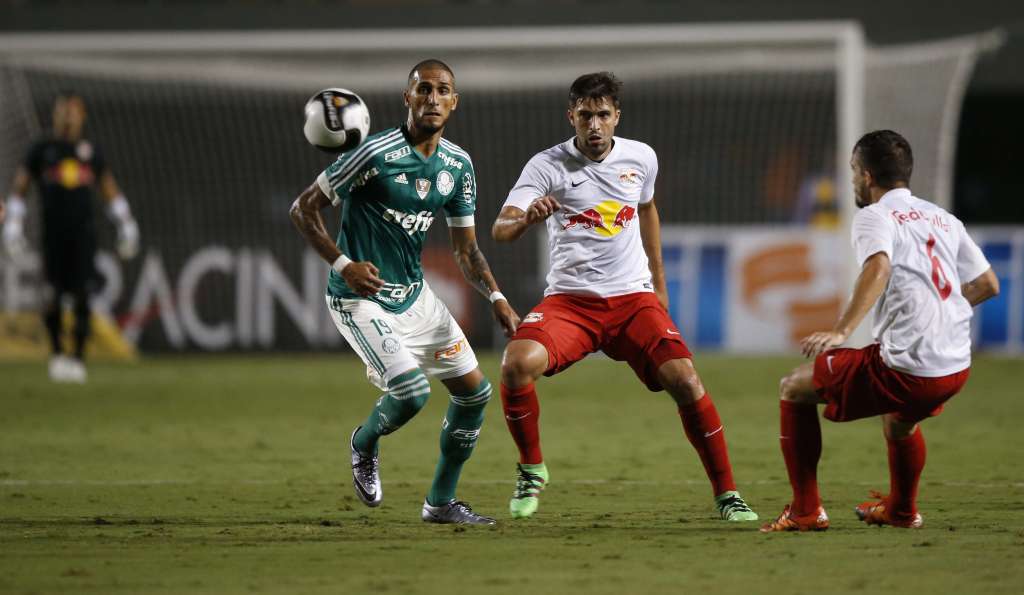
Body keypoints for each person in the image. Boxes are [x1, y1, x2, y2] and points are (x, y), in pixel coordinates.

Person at [491, 72, 758, 522]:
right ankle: (532, 469)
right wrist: (525, 220)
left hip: (633, 301)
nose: (593, 125)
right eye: (585, 115)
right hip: (571, 303)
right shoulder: (546, 166)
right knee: (516, 364)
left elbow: (648, 208)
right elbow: (500, 229)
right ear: (570, 116)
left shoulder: (641, 157)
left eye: (602, 115)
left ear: (617, 117)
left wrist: (660, 281)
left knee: (687, 381)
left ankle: (728, 493)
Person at [289, 59, 520, 525]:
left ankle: (439, 504)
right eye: (424, 90)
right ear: (407, 98)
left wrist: (496, 297)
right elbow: (303, 210)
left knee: (475, 395)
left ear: (454, 102)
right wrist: (344, 264)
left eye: (443, 91)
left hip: (416, 299)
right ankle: (364, 442)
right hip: (359, 299)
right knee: (413, 393)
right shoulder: (371, 154)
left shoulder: (458, 166)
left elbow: (466, 250)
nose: (432, 98)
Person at [760, 130, 1000, 532]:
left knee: (794, 388)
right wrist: (944, 310)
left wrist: (841, 331)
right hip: (955, 367)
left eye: (854, 171)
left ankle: (805, 511)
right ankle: (902, 512)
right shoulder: (944, 218)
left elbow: (879, 267)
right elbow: (988, 284)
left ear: (867, 176)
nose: (853, 179)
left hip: (909, 368)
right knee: (900, 421)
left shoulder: (874, 216)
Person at [1, 91, 139, 383]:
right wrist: (13, 225)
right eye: (62, 110)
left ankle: (76, 357)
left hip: (83, 237)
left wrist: (126, 223)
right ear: (55, 115)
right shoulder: (41, 150)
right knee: (51, 297)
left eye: (72, 111)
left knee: (82, 297)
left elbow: (108, 189)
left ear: (82, 115)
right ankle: (56, 355)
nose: (67, 116)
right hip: (53, 237)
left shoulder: (91, 152)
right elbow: (20, 189)